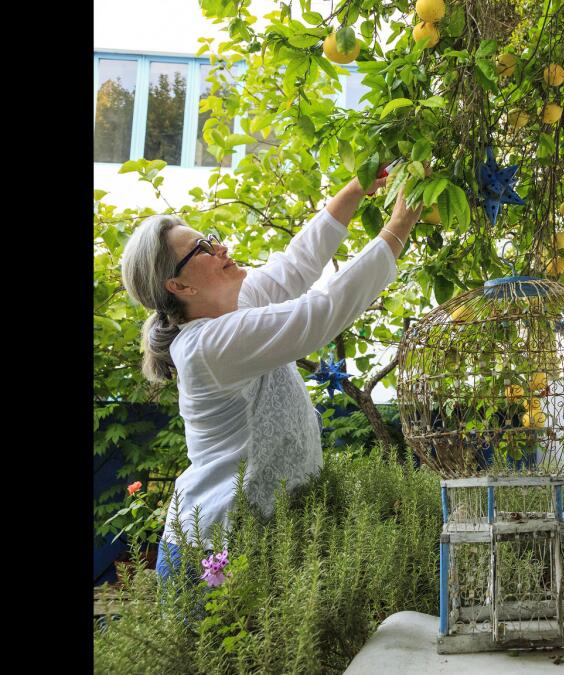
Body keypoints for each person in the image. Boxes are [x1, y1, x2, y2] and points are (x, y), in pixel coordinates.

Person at [118, 173, 421, 580]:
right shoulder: (206, 346)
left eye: (210, 237)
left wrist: (357, 186)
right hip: (212, 554)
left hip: (259, 539)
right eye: (202, 249)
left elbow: (295, 265)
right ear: (179, 284)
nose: (220, 246)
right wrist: (399, 224)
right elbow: (319, 313)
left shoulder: (233, 309)